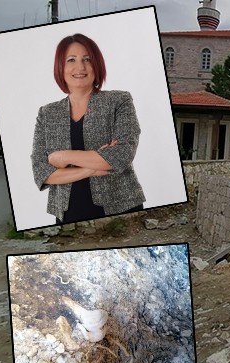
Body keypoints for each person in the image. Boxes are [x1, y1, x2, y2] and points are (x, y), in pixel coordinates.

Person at [31, 33, 145, 224]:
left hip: (121, 209)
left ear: (96, 65)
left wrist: (63, 157)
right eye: (71, 60)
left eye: (87, 59)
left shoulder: (119, 101)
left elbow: (122, 154)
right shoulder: (47, 113)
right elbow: (41, 172)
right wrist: (92, 168)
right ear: (61, 67)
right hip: (67, 216)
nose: (80, 67)